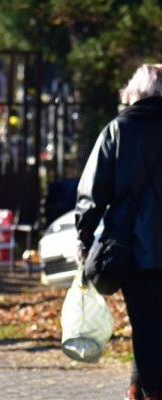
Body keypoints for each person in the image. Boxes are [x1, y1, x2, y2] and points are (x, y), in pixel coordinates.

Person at [76, 63, 162, 400]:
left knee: (145, 324)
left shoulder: (118, 129)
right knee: (153, 328)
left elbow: (92, 192)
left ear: (135, 91)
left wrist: (84, 239)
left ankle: (145, 391)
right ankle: (139, 389)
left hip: (132, 247)